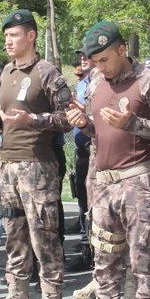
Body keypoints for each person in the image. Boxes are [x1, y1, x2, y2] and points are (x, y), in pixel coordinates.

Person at [64, 22, 150, 299]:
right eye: (94, 60)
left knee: (143, 259)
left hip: (138, 180)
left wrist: (133, 124)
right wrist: (83, 124)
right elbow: (99, 130)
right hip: (104, 180)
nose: (100, 66)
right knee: (106, 254)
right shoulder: (95, 81)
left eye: (105, 58)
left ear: (123, 49)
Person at [0, 9, 72, 299]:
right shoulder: (5, 72)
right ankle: (18, 296)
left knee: (44, 236)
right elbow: (6, 115)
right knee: (13, 234)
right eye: (6, 37)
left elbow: (67, 118)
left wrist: (33, 120)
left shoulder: (47, 73)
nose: (8, 41)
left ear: (31, 36)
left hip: (37, 165)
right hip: (8, 165)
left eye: (13, 35)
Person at [65, 48, 94, 273]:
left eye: (87, 55)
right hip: (81, 150)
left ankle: (95, 254)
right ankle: (86, 250)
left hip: (98, 150)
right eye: (80, 56)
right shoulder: (82, 83)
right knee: (83, 203)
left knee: (97, 208)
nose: (82, 59)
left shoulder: (102, 82)